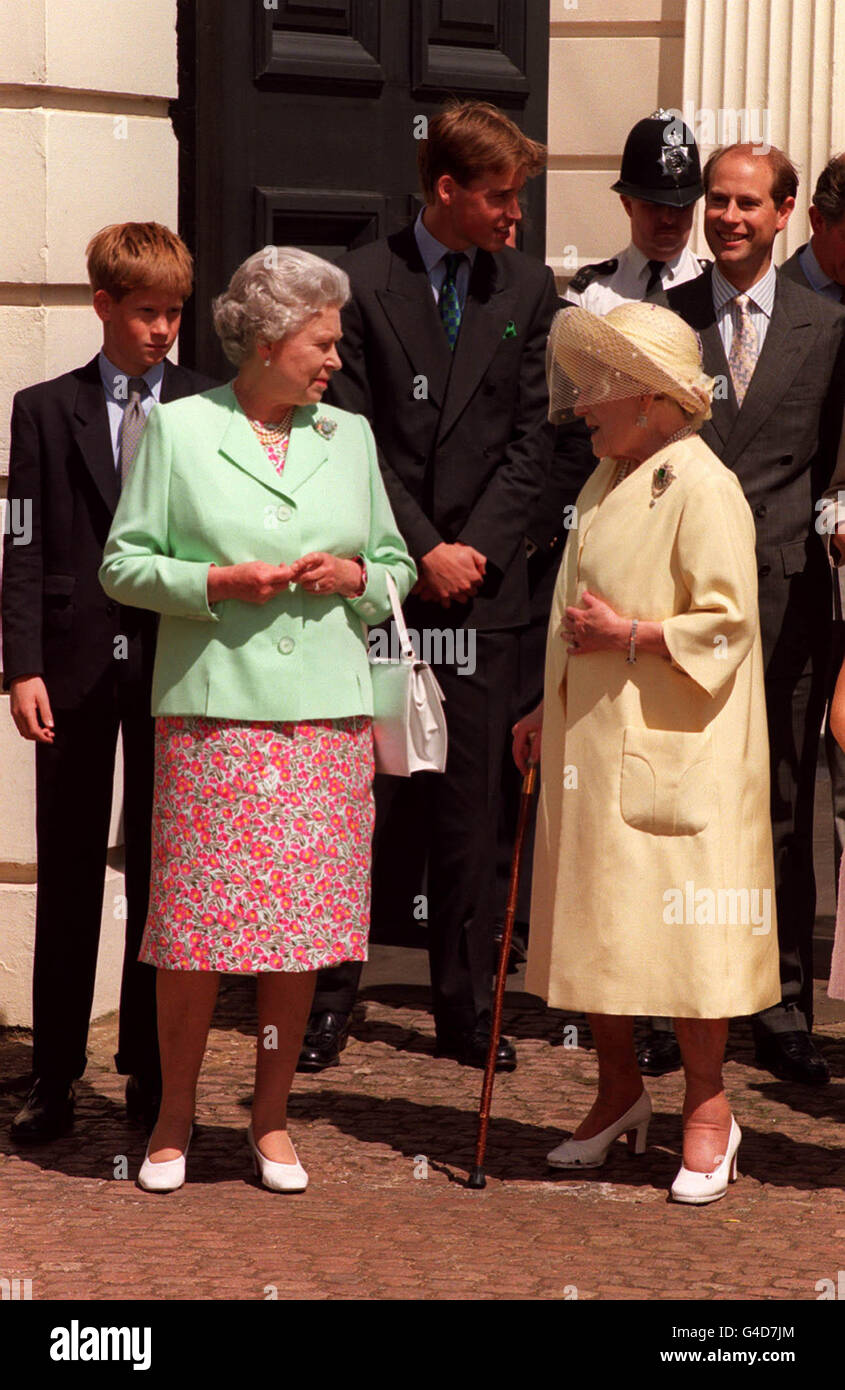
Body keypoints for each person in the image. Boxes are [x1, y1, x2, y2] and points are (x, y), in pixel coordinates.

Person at [98, 246, 415, 1192]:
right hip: (213, 716)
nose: (334, 361)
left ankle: (270, 1122)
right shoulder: (180, 429)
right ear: (270, 340)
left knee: (300, 936)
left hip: (324, 720)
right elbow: (124, 563)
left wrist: (359, 576)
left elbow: (394, 565)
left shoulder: (347, 437)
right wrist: (212, 583)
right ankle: (172, 1119)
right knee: (194, 933)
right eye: (321, 343)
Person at [298, 99, 558, 1075]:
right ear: (444, 189)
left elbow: (533, 444)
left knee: (468, 814)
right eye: (497, 197)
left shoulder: (527, 289)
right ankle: (326, 1000)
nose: (513, 216)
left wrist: (475, 550)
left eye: (518, 199)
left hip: (483, 595)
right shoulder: (361, 283)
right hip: (385, 589)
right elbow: (351, 441)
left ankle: (463, 1008)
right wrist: (424, 551)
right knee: (356, 802)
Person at [514, 300, 780, 1204]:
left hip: (675, 750)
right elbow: (570, 621)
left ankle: (708, 1110)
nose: (582, 401)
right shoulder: (609, 476)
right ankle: (619, 1094)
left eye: (598, 385)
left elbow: (728, 623)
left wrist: (629, 634)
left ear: (649, 396)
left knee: (683, 935)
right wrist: (542, 706)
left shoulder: (702, 484)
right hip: (594, 743)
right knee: (599, 924)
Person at [2, 222, 215, 1142]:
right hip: (74, 666)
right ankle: (53, 1076)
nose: (162, 330)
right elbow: (20, 539)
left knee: (166, 876)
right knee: (71, 874)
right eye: (144, 314)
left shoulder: (207, 406)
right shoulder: (44, 409)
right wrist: (22, 668)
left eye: (173, 313)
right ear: (102, 307)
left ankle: (150, 1071)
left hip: (177, 668)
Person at [668, 143, 845, 1085]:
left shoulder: (828, 326)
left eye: (747, 204)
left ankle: (781, 1009)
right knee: (683, 804)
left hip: (786, 602)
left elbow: (837, 466)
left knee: (779, 806)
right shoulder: (663, 322)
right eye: (716, 201)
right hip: (677, 608)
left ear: (785, 215)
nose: (727, 217)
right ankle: (673, 998)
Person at [780, 154, 845, 899]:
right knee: (782, 788)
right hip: (784, 578)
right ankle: (776, 984)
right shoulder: (774, 298)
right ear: (816, 223)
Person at [564, 110, 707, 314]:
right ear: (628, 205)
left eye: (681, 207)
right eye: (655, 206)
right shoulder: (591, 293)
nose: (668, 219)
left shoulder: (712, 289)